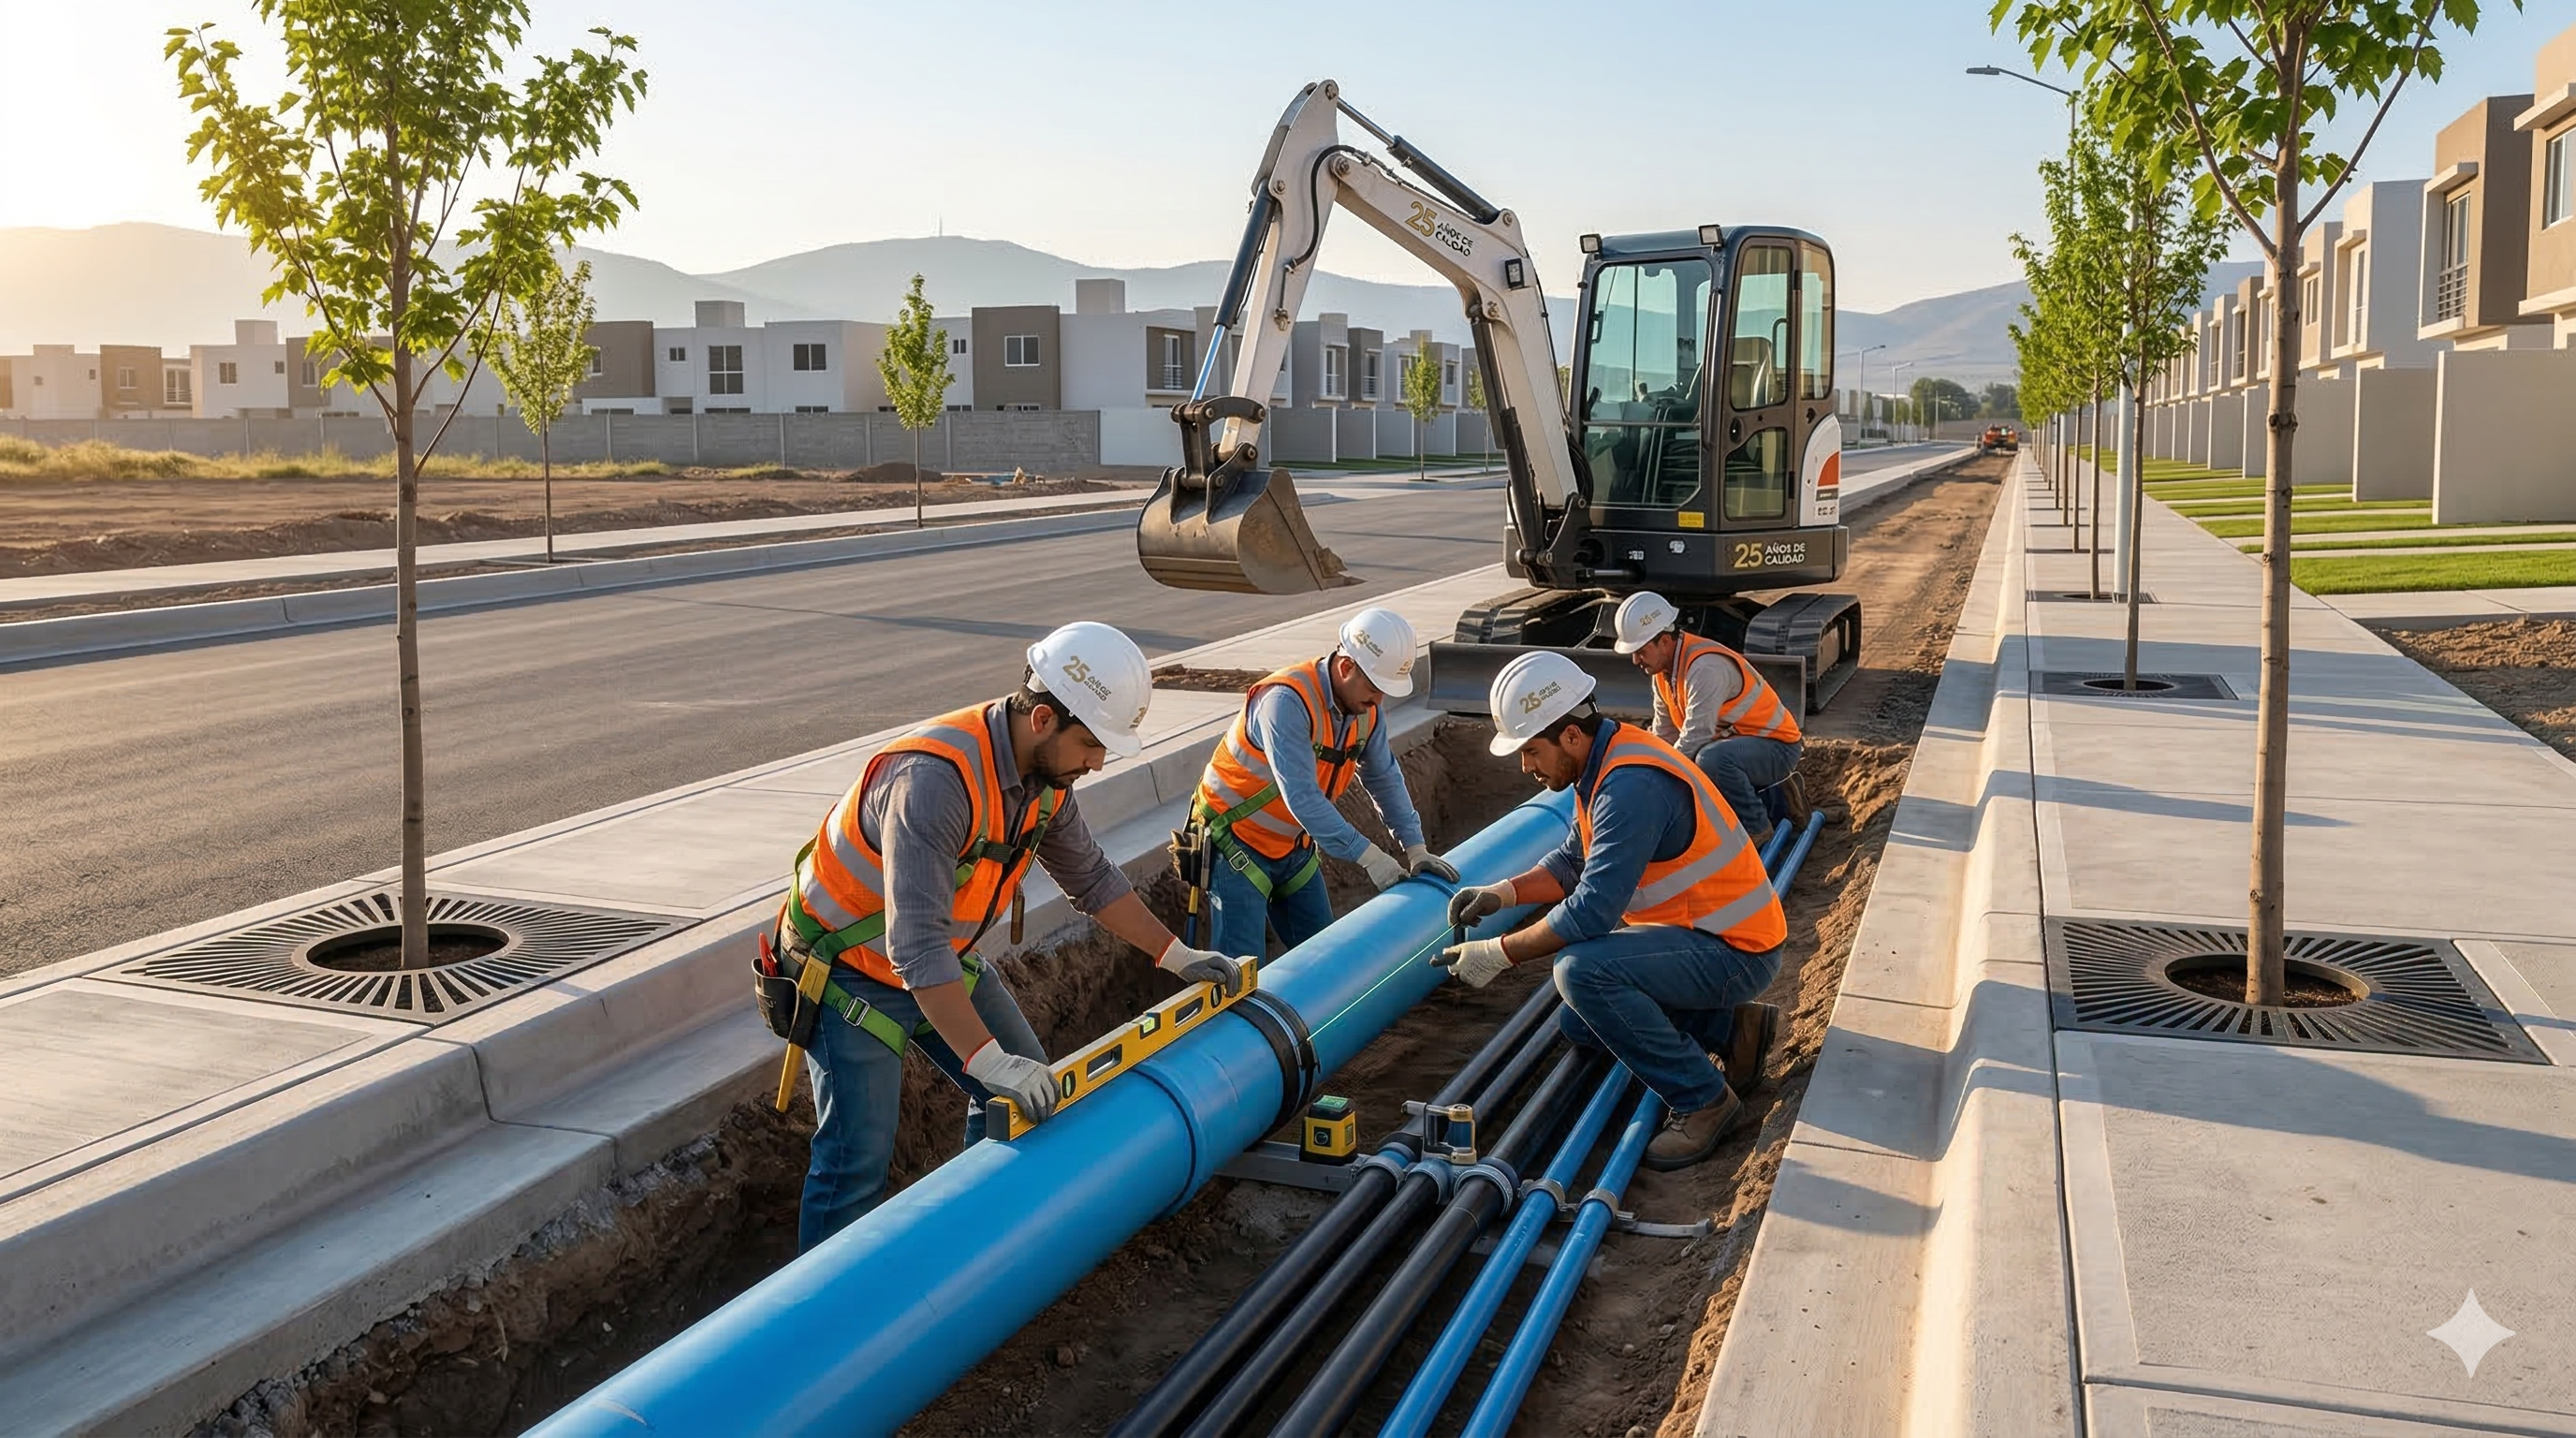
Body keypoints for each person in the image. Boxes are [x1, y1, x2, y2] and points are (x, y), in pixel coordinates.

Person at [761, 621, 1247, 1250]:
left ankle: (975, 1249)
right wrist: (987, 1060)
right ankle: (816, 1324)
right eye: (1091, 743)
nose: (1098, 762)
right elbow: (915, 947)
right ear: (1043, 719)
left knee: (1028, 1095)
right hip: (847, 971)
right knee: (858, 1160)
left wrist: (1176, 955)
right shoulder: (934, 783)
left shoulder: (1046, 781)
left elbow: (1093, 880)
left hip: (936, 961)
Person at [1434, 652, 1785, 1170]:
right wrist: (1502, 893)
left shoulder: (1630, 786)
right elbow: (1572, 863)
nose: (1526, 768)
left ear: (1570, 736)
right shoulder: (1603, 763)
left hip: (1736, 950)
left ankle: (1703, 1100)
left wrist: (1498, 953)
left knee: (1580, 972)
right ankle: (1733, 1032)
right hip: (1700, 936)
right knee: (1581, 1021)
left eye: (1531, 751)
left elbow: (1589, 915)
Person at [1193, 608, 1456, 961]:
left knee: (1325, 956)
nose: (1379, 700)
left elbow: (1384, 776)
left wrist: (1415, 848)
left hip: (1293, 844)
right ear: (1347, 667)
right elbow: (1302, 797)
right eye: (1375, 688)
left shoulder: (1365, 710)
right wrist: (1369, 856)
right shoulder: (1285, 702)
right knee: (1242, 969)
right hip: (1237, 842)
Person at [1610, 591, 1803, 847]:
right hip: (1740, 747)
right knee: (1694, 760)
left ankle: (1757, 827)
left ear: (1665, 642)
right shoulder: (1663, 673)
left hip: (1777, 748)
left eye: (1641, 651)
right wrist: (1643, 770)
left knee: (1709, 759)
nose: (1636, 660)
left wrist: (1658, 780)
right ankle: (1764, 799)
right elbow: (1665, 735)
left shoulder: (1705, 668)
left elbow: (1696, 735)